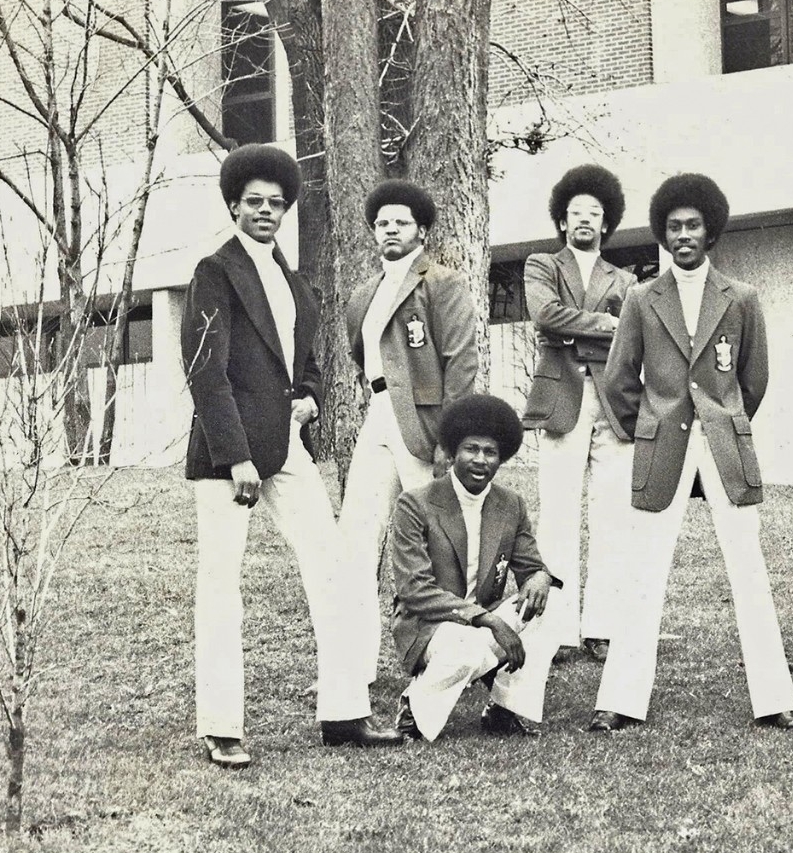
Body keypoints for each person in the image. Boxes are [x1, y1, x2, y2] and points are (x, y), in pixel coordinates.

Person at [182, 144, 403, 769]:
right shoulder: (213, 272)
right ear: (234, 206)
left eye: (276, 204)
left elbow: (306, 366)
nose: (266, 212)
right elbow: (206, 371)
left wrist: (308, 399)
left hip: (288, 448)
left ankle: (343, 711)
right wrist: (236, 457)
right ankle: (222, 725)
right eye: (254, 203)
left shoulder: (295, 282)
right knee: (222, 582)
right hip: (230, 456)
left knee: (332, 568)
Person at [588, 173, 793, 732]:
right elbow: (617, 380)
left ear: (711, 234)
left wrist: (725, 423)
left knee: (749, 570)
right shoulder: (641, 298)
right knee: (644, 570)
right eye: (673, 227)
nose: (683, 235)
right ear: (662, 234)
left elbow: (752, 380)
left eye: (693, 226)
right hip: (662, 444)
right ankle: (619, 700)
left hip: (724, 447)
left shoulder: (743, 298)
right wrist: (653, 426)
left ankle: (777, 700)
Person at [340, 179, 478, 686]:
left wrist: (452, 441)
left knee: (433, 544)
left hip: (425, 425)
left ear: (420, 229)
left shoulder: (443, 282)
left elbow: (460, 364)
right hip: (378, 417)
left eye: (400, 221)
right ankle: (352, 665)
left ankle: (446, 659)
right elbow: (363, 359)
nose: (390, 230)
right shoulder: (362, 295)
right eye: (381, 223)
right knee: (356, 538)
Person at [390, 395, 562, 740]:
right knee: (466, 647)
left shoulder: (510, 504)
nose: (480, 460)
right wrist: (489, 620)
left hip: (481, 623)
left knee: (553, 605)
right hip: (430, 625)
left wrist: (541, 577)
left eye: (491, 452)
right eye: (471, 449)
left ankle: (505, 708)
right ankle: (414, 707)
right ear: (453, 452)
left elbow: (531, 566)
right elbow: (415, 590)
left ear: (502, 458)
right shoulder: (415, 504)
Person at [521, 164, 638, 662]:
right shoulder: (541, 265)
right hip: (562, 400)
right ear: (563, 221)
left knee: (613, 516)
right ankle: (558, 628)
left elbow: (635, 329)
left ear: (607, 223)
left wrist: (573, 334)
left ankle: (603, 627)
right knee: (559, 514)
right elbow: (545, 315)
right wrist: (607, 324)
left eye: (595, 213)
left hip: (614, 401)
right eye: (575, 213)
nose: (585, 220)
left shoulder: (627, 277)